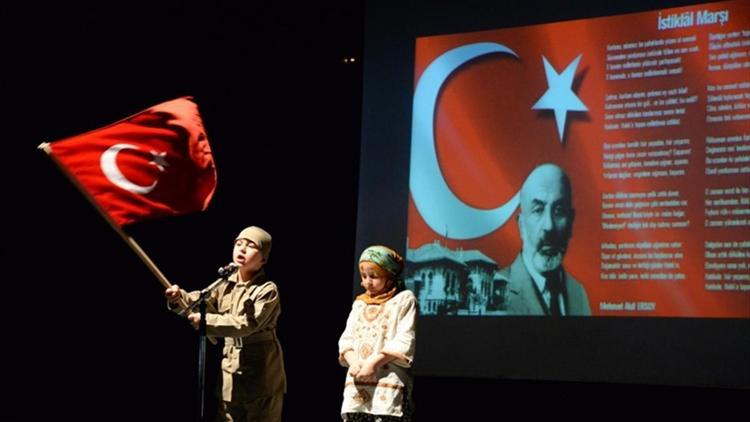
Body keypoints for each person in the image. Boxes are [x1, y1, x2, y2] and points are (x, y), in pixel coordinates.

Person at [165, 226, 286, 421]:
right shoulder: (224, 284)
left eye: (251, 245)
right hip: (231, 369)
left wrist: (206, 321)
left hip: (261, 373)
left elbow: (246, 324)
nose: (242, 249)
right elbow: (200, 300)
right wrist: (178, 297)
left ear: (263, 258)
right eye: (238, 244)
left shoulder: (267, 290)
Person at [498, 163, 591, 316]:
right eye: (538, 210)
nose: (549, 226)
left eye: (559, 210)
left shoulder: (578, 294)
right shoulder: (499, 288)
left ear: (571, 222)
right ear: (521, 225)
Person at [338, 245, 417, 421]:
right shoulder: (360, 304)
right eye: (364, 276)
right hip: (358, 384)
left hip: (387, 382)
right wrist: (354, 363)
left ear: (390, 276)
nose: (367, 282)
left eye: (374, 276)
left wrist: (373, 363)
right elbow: (347, 338)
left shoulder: (404, 300)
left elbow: (404, 338)